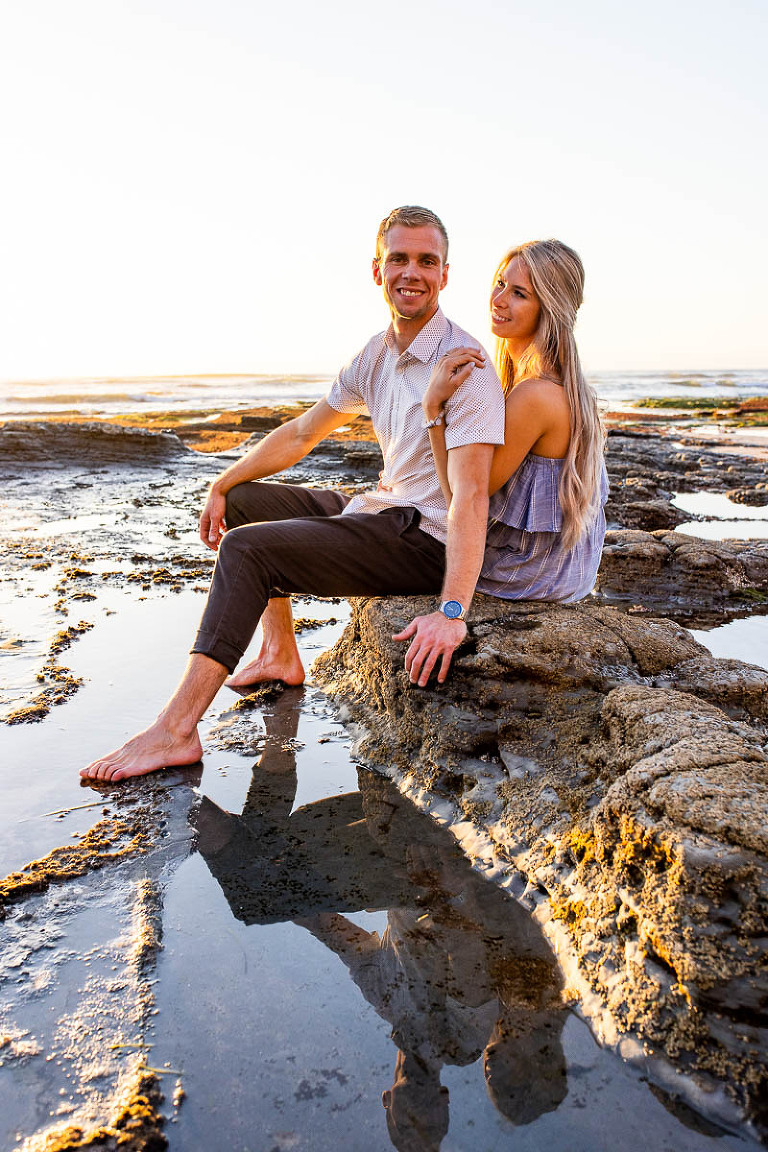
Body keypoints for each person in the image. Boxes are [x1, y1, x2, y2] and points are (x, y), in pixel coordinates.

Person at [81, 206, 505, 782]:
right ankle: (280, 652)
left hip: (426, 538)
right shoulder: (376, 354)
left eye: (426, 261)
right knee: (243, 505)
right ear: (377, 271)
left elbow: (472, 497)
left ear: (445, 274)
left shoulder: (465, 365)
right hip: (382, 507)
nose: (412, 272)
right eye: (398, 258)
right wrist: (223, 481)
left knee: (248, 549)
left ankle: (176, 729)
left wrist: (453, 610)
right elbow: (305, 432)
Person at [422, 238, 607, 602]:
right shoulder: (558, 384)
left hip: (525, 573)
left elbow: (460, 501)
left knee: (384, 540)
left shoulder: (535, 395)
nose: (499, 299)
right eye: (501, 283)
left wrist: (434, 409)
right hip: (565, 573)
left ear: (548, 308)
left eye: (520, 293)